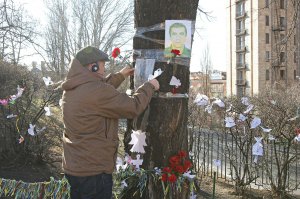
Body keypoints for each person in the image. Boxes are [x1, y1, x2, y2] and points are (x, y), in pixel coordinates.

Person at [61, 46, 159, 199]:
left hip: (74, 168)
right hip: (94, 173)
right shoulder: (97, 92)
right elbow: (133, 107)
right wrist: (150, 86)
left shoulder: (72, 89)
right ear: (92, 66)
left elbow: (98, 91)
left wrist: (120, 75)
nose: (104, 68)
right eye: (102, 65)